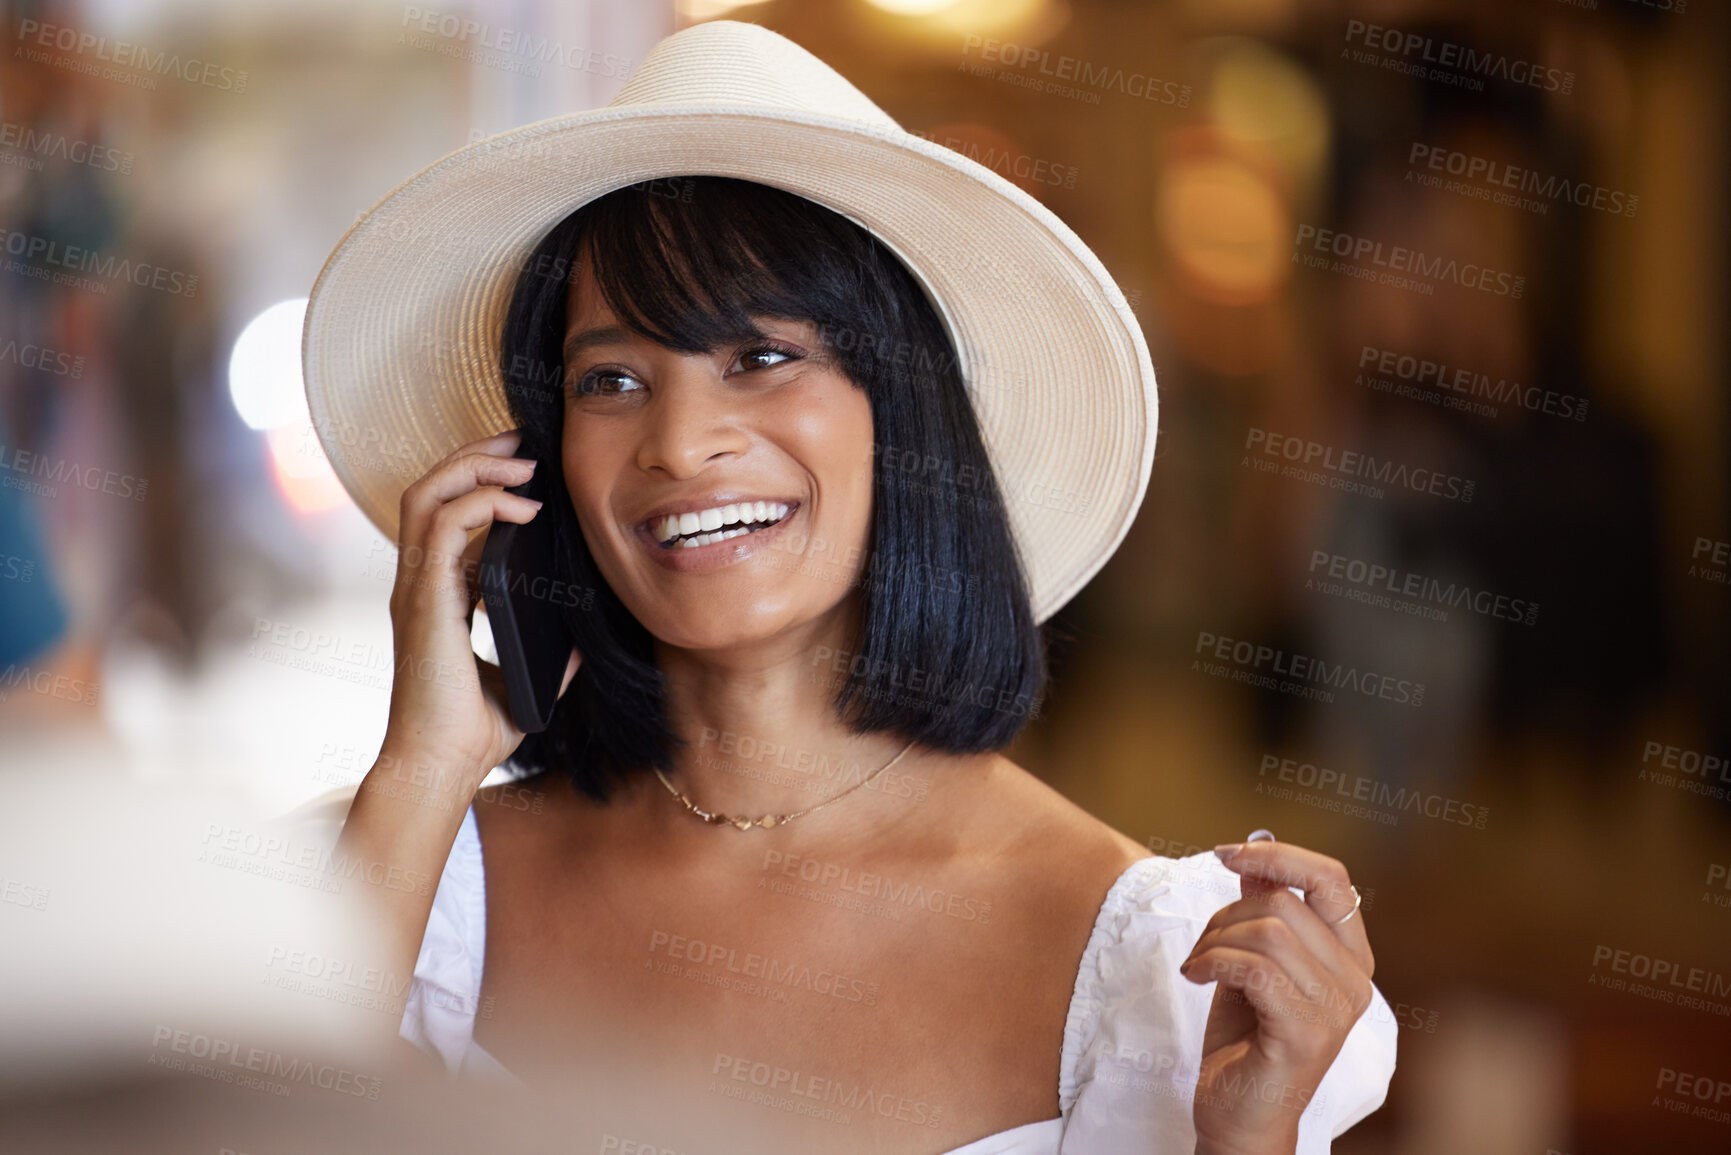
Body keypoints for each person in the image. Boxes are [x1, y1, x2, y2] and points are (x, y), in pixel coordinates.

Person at [308, 21, 1395, 1155]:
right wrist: (424, 767)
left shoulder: (1147, 968)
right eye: (612, 378)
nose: (679, 445)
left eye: (761, 357)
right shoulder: (425, 890)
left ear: (902, 412)